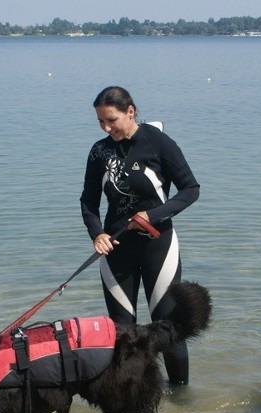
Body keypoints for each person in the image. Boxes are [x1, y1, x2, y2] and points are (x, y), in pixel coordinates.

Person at [81, 86, 200, 385]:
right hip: (116, 251)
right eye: (101, 122)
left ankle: (182, 403)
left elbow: (190, 190)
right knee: (122, 334)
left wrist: (153, 215)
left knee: (167, 329)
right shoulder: (99, 152)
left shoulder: (157, 142)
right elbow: (88, 202)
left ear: (130, 111)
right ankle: (129, 402)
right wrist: (97, 235)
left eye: (112, 120)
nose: (107, 128)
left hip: (157, 248)